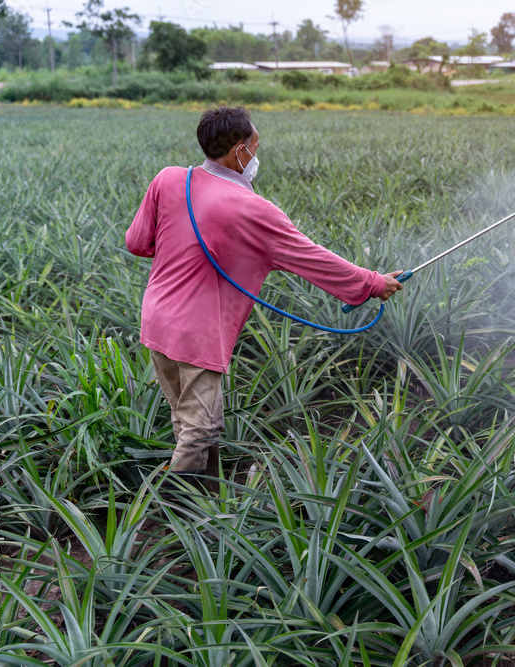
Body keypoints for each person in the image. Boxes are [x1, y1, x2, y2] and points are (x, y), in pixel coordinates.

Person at [125, 105, 402, 489]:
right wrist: (372, 283)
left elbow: (137, 242)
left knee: (186, 416)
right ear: (240, 150)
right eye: (255, 146)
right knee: (202, 427)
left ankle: (208, 496)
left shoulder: (170, 179)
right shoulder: (254, 209)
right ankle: (176, 517)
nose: (256, 155)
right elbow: (313, 259)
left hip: (156, 320)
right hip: (197, 333)